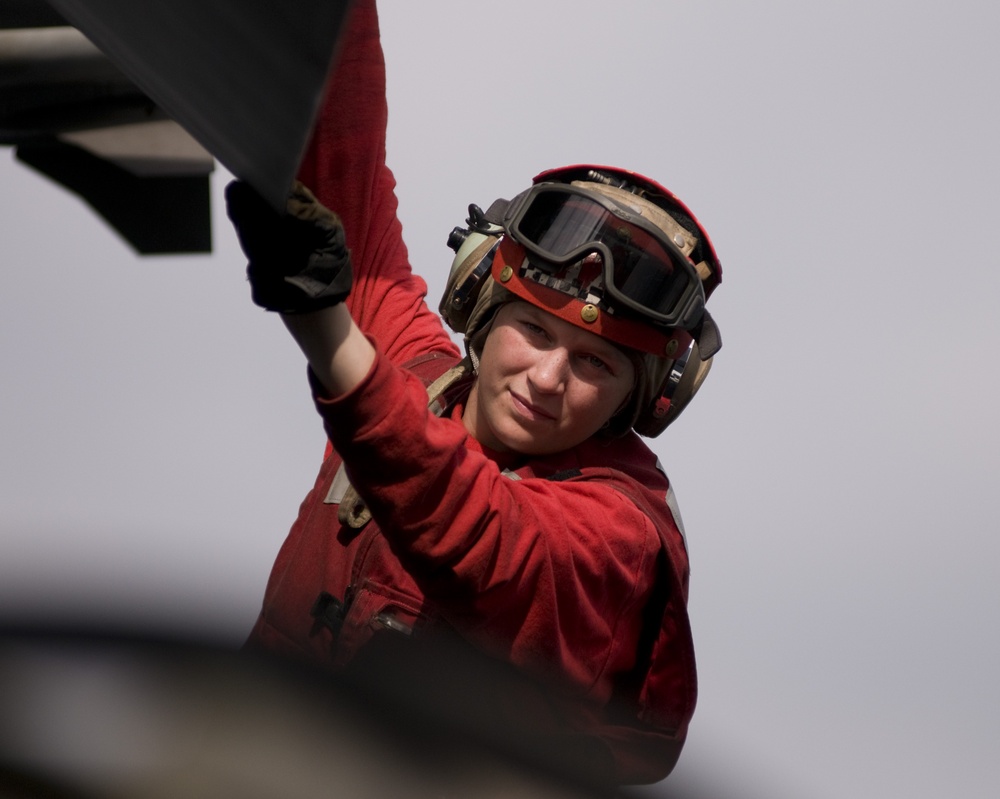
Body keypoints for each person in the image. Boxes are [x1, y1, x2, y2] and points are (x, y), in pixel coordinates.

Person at [225, 0, 722, 787]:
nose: (549, 379)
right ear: (480, 311)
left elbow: (480, 528)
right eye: (536, 331)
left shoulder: (619, 537)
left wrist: (327, 334)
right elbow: (338, 153)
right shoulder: (416, 375)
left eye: (597, 366)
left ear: (640, 401)